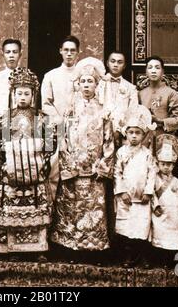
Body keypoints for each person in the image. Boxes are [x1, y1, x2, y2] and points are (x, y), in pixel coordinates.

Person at [50, 59, 115, 264]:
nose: (87, 85)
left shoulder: (104, 112)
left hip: (95, 171)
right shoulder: (70, 111)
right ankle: (70, 249)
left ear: (97, 85)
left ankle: (94, 251)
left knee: (93, 210)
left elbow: (109, 140)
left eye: (91, 81)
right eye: (83, 81)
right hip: (74, 169)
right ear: (78, 84)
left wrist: (103, 165)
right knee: (71, 209)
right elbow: (63, 139)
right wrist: (69, 163)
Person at [0, 67, 56, 261]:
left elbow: (52, 144)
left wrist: (41, 163)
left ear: (33, 95)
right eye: (19, 93)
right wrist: (5, 164)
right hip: (11, 173)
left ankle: (38, 248)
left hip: (36, 173)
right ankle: (13, 249)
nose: (22, 97)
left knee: (37, 207)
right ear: (13, 94)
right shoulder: (3, 117)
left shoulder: (43, 117)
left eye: (27, 93)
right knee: (13, 206)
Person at [114, 105, 157, 268]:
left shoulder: (147, 154)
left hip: (142, 199)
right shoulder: (121, 152)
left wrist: (148, 192)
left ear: (143, 135)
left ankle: (143, 256)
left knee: (142, 227)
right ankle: (129, 255)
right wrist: (122, 191)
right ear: (126, 133)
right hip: (127, 198)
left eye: (137, 133)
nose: (134, 136)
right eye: (131, 132)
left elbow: (152, 173)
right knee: (127, 228)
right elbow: (117, 173)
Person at [41, 35, 80, 202]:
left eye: (73, 51)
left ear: (78, 52)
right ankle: (51, 213)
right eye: (66, 50)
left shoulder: (83, 75)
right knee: (54, 171)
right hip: (57, 129)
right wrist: (60, 120)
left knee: (77, 171)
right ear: (60, 51)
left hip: (79, 129)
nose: (69, 54)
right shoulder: (51, 75)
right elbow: (46, 103)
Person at [151, 134, 178, 268]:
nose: (166, 167)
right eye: (163, 164)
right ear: (158, 164)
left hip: (173, 215)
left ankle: (176, 262)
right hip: (161, 213)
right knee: (161, 236)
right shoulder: (154, 179)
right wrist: (155, 206)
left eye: (169, 164)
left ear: (173, 165)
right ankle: (162, 261)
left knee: (174, 237)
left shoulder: (176, 181)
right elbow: (152, 195)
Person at [138, 56, 178, 151]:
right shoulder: (141, 94)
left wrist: (160, 121)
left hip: (165, 140)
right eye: (150, 67)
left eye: (157, 67)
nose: (153, 71)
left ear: (163, 71)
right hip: (144, 141)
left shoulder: (171, 93)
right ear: (146, 71)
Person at [99, 51, 138, 146]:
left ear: (124, 65)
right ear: (107, 63)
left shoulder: (131, 88)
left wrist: (122, 129)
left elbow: (133, 111)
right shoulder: (99, 84)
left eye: (120, 62)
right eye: (113, 61)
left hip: (122, 134)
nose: (116, 65)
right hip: (100, 131)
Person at [0, 39, 22, 119]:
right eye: (8, 52)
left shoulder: (26, 77)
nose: (11, 55)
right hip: (1, 122)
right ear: (3, 54)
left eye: (15, 52)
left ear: (20, 54)